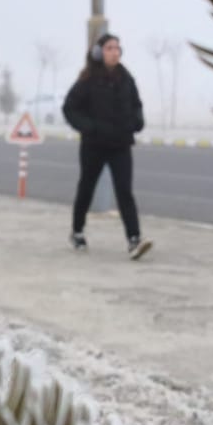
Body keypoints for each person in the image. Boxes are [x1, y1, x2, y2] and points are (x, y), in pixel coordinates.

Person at [61, 34, 151, 259]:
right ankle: (77, 230)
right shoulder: (88, 80)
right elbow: (69, 108)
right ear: (100, 53)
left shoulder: (126, 78)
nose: (115, 52)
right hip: (94, 145)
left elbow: (136, 104)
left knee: (124, 192)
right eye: (110, 48)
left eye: (118, 48)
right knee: (87, 188)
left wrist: (137, 122)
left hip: (120, 144)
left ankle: (134, 240)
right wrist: (88, 127)